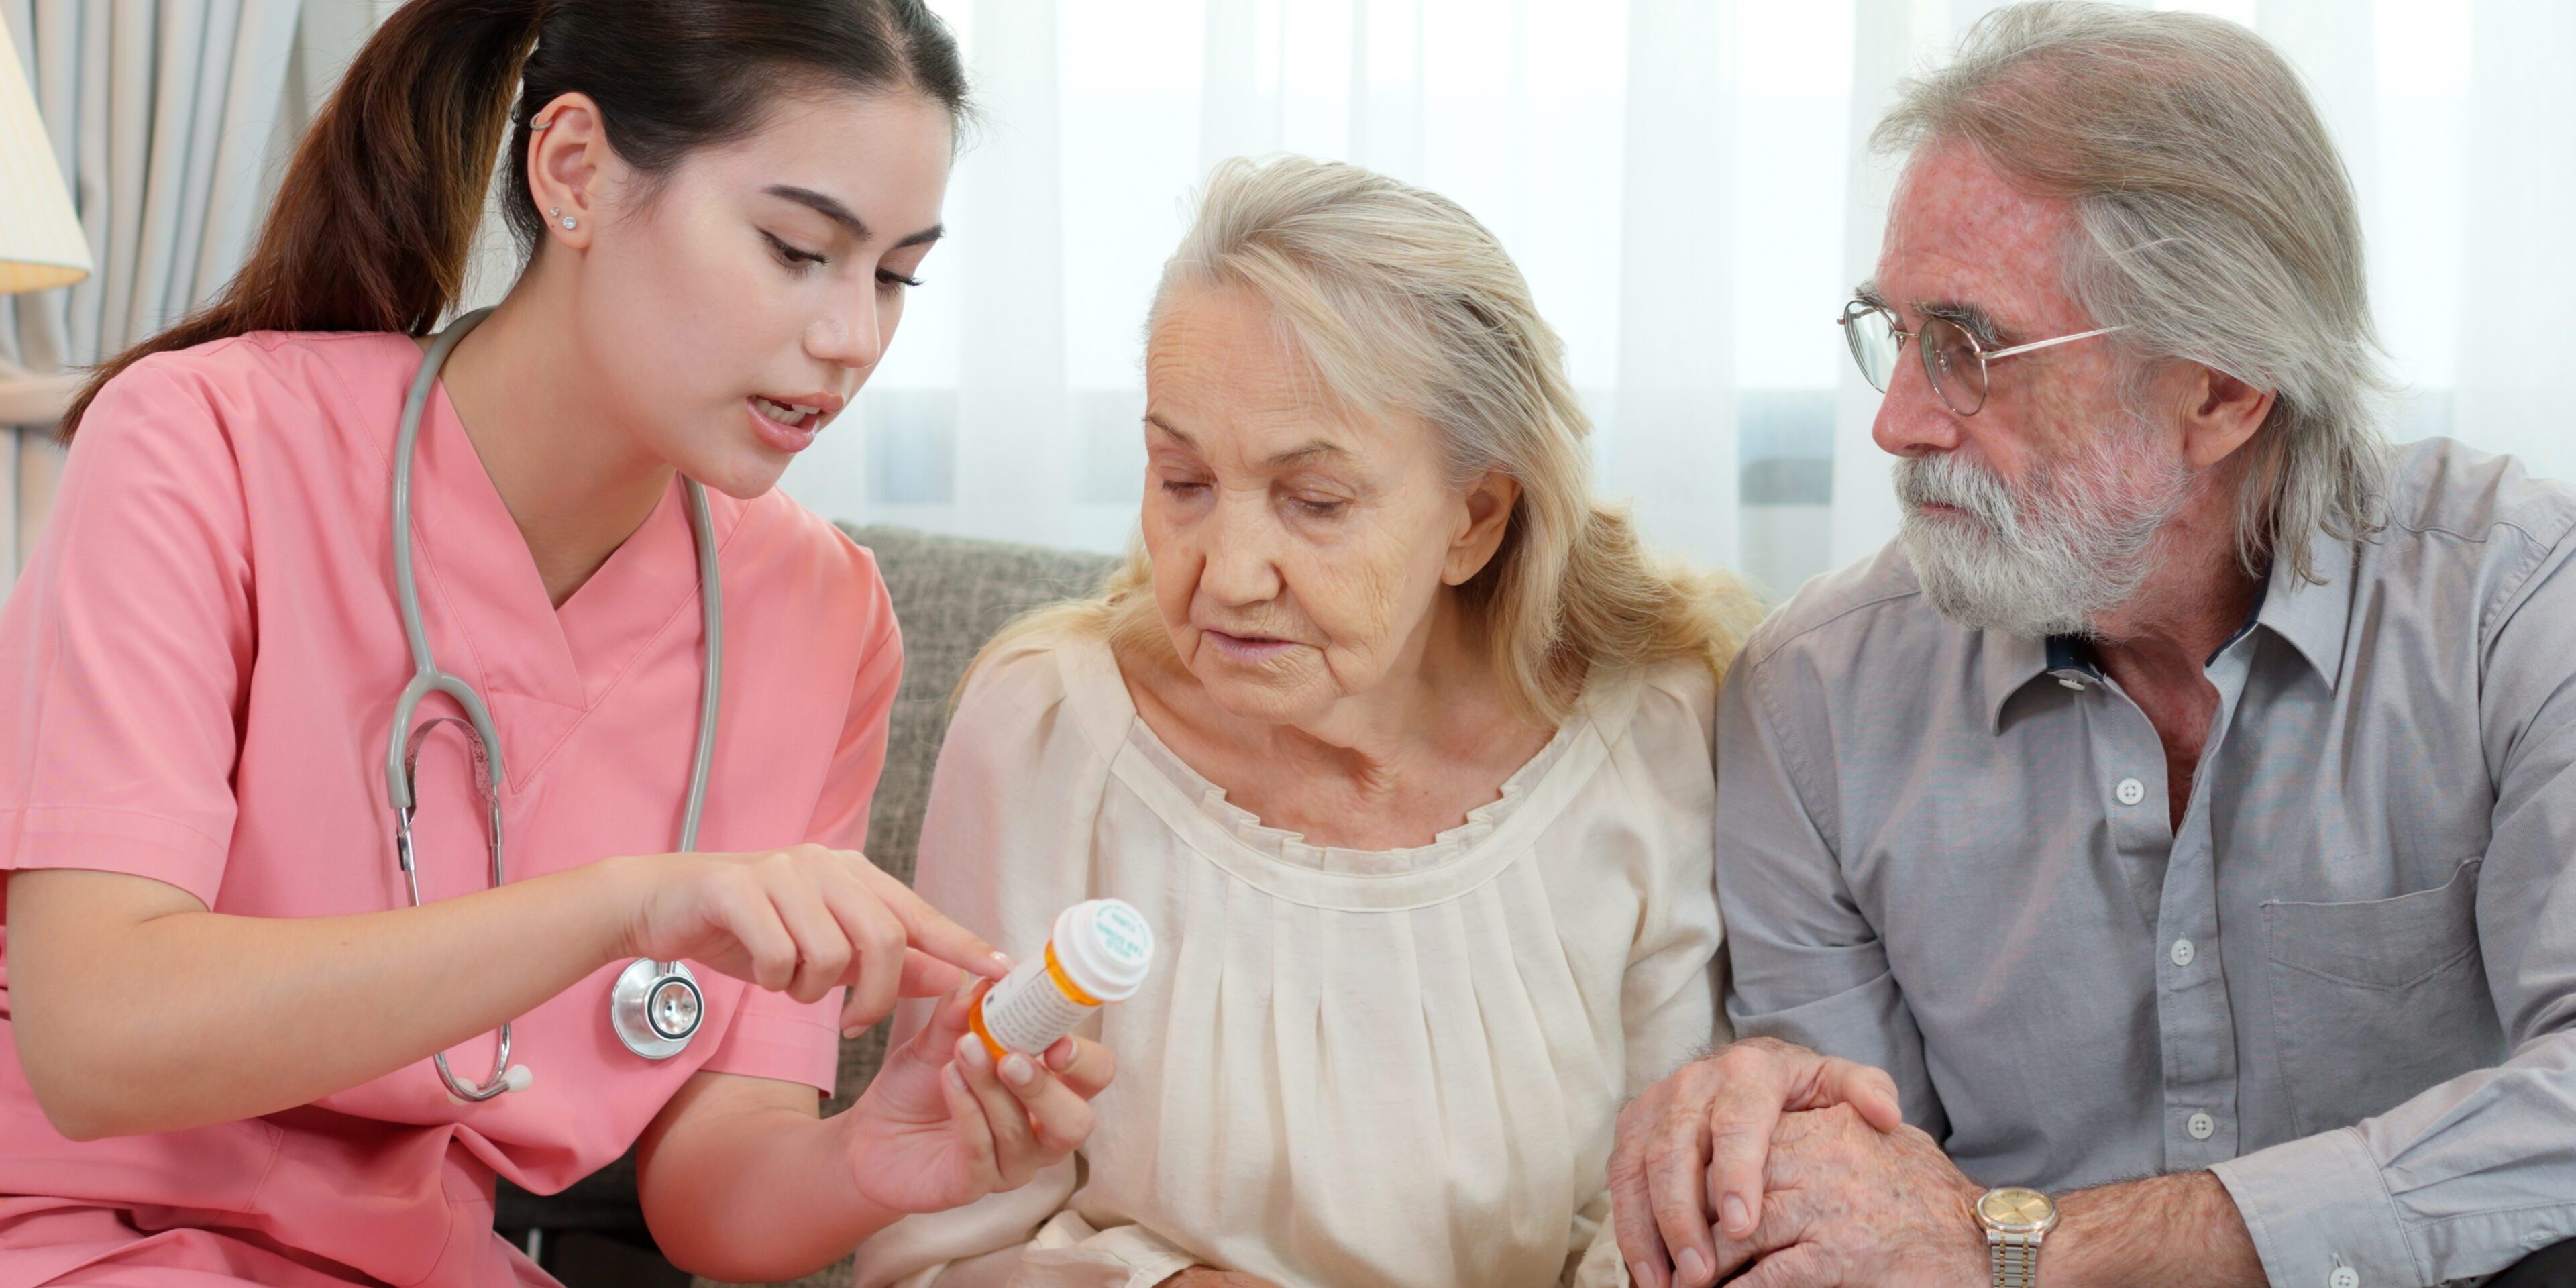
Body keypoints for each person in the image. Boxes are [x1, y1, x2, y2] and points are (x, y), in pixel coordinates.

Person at [0, 2, 1111, 1285]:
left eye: (897, 275)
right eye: (798, 248)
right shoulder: (205, 443)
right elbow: (98, 1040)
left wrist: (877, 1157)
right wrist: (622, 904)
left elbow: (716, 1184)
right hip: (67, 1228)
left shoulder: (819, 615)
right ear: (573, 170)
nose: (851, 338)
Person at [1607, 5, 2576, 1288]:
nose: (1897, 424)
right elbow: (1858, 1223)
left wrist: (2042, 1247)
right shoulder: (1812, 699)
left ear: (2220, 390)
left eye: (1967, 347)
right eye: (1891, 334)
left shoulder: (2514, 608)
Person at [850, 156, 1763, 1288]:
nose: (1226, 575)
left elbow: (1675, 1228)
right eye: (1181, 479)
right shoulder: (1047, 730)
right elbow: (930, 1243)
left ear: (1475, 520)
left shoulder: (1651, 732)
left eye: (1314, 501)